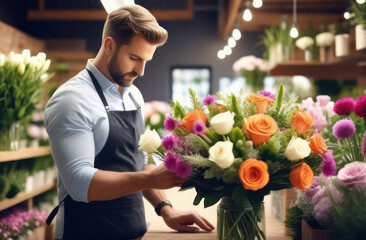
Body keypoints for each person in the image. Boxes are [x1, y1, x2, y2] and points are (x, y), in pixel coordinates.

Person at [44, 5, 214, 240]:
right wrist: (150, 178)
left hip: (134, 232)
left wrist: (165, 208)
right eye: (134, 58)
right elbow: (78, 182)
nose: (141, 71)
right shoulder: (72, 99)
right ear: (109, 45)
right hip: (84, 233)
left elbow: (138, 162)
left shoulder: (133, 94)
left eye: (147, 60)